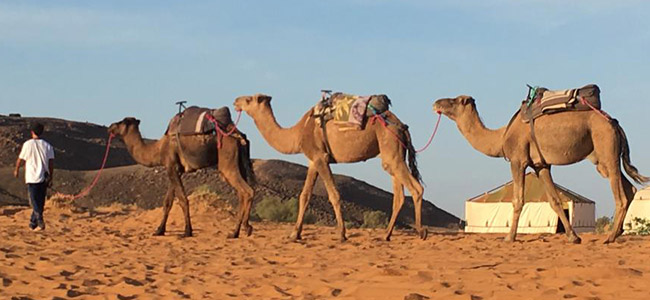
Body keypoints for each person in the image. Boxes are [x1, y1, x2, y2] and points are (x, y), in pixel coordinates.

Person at [13, 122, 55, 231]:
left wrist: (17, 169)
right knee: (39, 201)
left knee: (34, 201)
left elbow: (20, 159)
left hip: (32, 177)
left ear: (32, 132)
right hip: (43, 176)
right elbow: (51, 163)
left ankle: (39, 219)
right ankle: (33, 223)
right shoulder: (48, 145)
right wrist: (51, 176)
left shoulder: (28, 144)